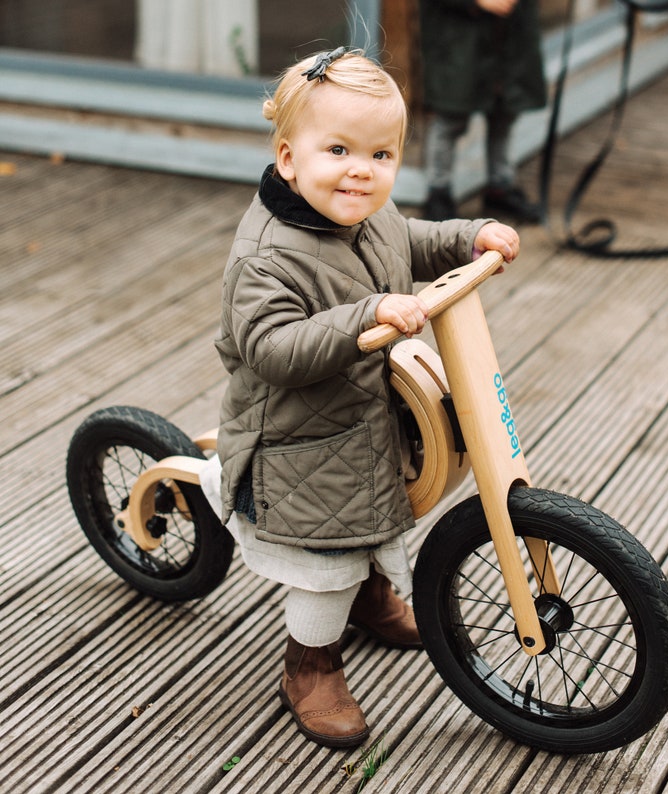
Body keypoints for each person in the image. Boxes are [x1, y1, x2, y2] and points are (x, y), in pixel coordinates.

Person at [205, 48, 521, 749]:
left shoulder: (365, 213)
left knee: (381, 515)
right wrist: (366, 314)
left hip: (364, 420)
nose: (362, 169)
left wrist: (468, 236)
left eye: (381, 154)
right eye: (340, 149)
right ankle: (309, 663)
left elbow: (408, 240)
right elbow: (272, 351)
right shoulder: (268, 255)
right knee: (326, 563)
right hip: (297, 440)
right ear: (289, 158)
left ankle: (373, 598)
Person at [419, 0, 547, 222]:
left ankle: (500, 187)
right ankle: (438, 192)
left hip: (510, 39)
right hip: (459, 38)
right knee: (450, 118)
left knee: (504, 114)